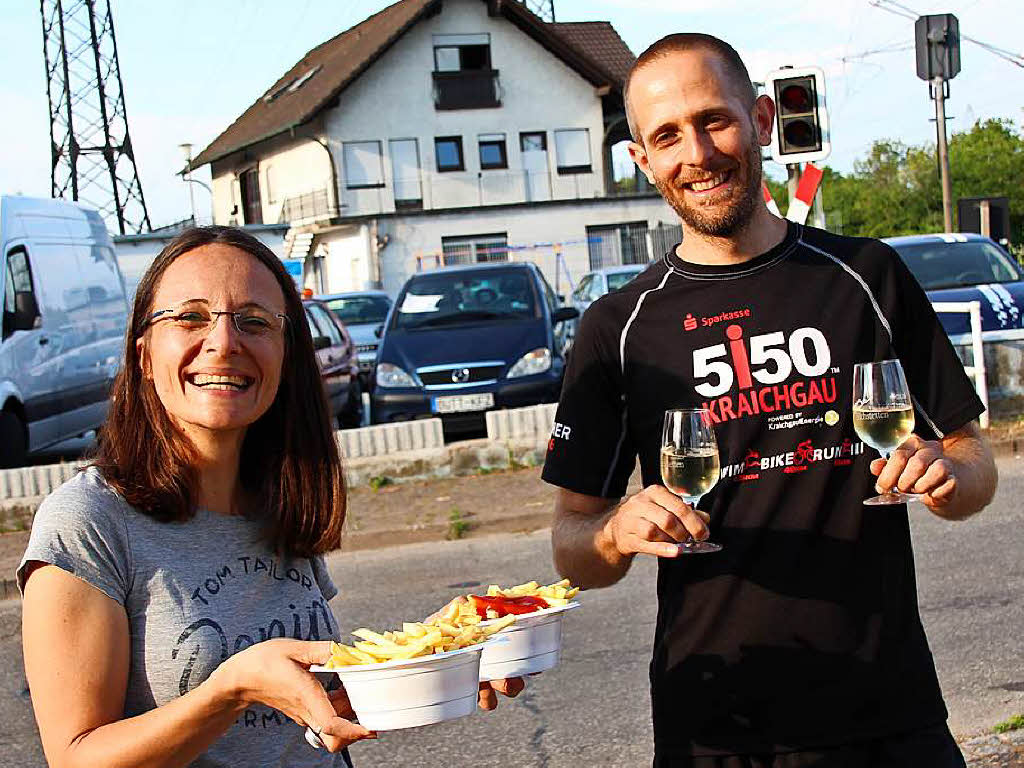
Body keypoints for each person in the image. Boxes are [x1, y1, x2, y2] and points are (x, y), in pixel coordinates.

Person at [542, 33, 997, 768]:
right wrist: (614, 533)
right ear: (642, 161)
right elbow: (572, 545)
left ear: (759, 120)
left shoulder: (866, 276)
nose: (697, 152)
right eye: (667, 136)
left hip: (890, 717)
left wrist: (948, 476)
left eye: (714, 119)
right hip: (717, 731)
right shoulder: (617, 327)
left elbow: (977, 462)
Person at [18, 226, 522, 768]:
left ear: (285, 356)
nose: (224, 342)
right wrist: (229, 691)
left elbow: (314, 708)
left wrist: (432, 657)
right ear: (143, 355)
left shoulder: (279, 499)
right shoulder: (88, 521)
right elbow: (75, 758)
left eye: (255, 322)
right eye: (190, 317)